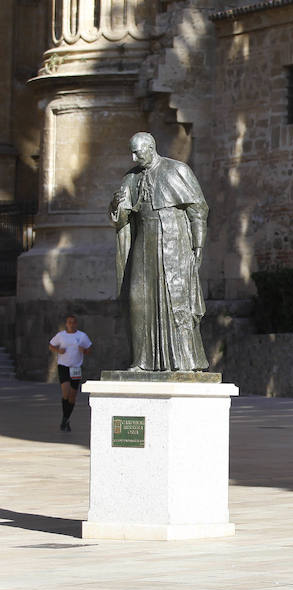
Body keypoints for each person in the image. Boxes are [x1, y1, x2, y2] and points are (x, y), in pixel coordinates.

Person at [109, 132, 209, 371]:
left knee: (175, 298)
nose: (133, 157)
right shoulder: (131, 178)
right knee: (137, 298)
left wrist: (198, 245)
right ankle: (141, 361)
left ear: (151, 147)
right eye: (132, 152)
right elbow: (121, 219)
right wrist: (117, 205)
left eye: (138, 152)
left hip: (173, 240)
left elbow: (198, 210)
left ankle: (183, 361)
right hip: (143, 242)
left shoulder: (177, 170)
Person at [49, 315, 93, 431]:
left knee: (72, 395)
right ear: (66, 324)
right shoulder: (61, 335)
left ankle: (66, 419)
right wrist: (58, 350)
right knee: (66, 392)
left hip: (76, 368)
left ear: (76, 324)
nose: (71, 324)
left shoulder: (82, 336)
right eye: (69, 322)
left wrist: (84, 350)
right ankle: (65, 419)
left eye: (73, 322)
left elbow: (89, 349)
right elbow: (51, 345)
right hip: (63, 366)